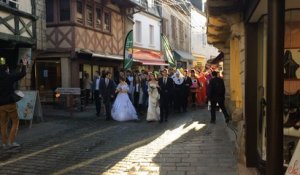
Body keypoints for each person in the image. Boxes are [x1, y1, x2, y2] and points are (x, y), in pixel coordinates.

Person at [0, 57, 27, 148]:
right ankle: (11, 142)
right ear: (6, 69)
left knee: (3, 123)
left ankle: (4, 143)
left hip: (0, 105)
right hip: (10, 104)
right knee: (15, 121)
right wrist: (24, 64)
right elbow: (23, 73)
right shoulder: (9, 76)